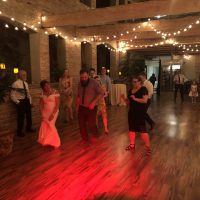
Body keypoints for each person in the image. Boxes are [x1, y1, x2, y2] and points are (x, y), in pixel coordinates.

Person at [121, 77, 151, 155]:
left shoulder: (143, 89)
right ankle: (132, 145)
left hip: (140, 113)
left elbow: (145, 100)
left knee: (143, 131)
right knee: (131, 129)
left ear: (139, 82)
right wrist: (123, 98)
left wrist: (135, 98)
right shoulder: (130, 90)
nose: (133, 83)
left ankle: (148, 148)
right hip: (131, 112)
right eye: (133, 82)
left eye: (135, 82)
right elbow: (128, 102)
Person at [76, 68, 104, 143]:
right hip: (82, 107)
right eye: (82, 77)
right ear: (80, 76)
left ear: (88, 76)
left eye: (85, 77)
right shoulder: (79, 83)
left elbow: (101, 93)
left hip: (92, 107)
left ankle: (96, 135)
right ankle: (85, 139)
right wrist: (77, 106)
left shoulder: (94, 83)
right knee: (81, 124)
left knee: (91, 124)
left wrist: (93, 102)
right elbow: (79, 96)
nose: (84, 79)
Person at [10, 70, 35, 137]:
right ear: (20, 75)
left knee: (29, 116)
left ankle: (28, 128)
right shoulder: (15, 84)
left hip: (27, 101)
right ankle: (19, 132)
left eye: (26, 74)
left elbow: (28, 94)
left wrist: (30, 102)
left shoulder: (26, 83)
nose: (25, 76)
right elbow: (12, 95)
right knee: (20, 117)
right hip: (21, 101)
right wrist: (18, 102)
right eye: (24, 75)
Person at [38, 80, 61, 148]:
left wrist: (53, 114)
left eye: (48, 84)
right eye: (45, 86)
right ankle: (48, 141)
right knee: (45, 125)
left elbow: (57, 104)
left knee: (51, 124)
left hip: (54, 111)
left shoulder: (55, 92)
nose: (47, 86)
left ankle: (56, 142)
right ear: (43, 87)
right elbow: (41, 104)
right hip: (45, 112)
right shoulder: (42, 93)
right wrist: (41, 113)